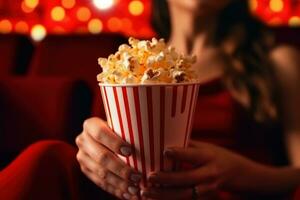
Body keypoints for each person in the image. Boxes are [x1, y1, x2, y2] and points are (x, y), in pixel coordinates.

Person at [0, 0, 299, 200]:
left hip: (225, 195)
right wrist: (91, 150)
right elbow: (114, 155)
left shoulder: (276, 61)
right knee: (47, 156)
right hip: (136, 195)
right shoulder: (127, 66)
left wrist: (234, 173)